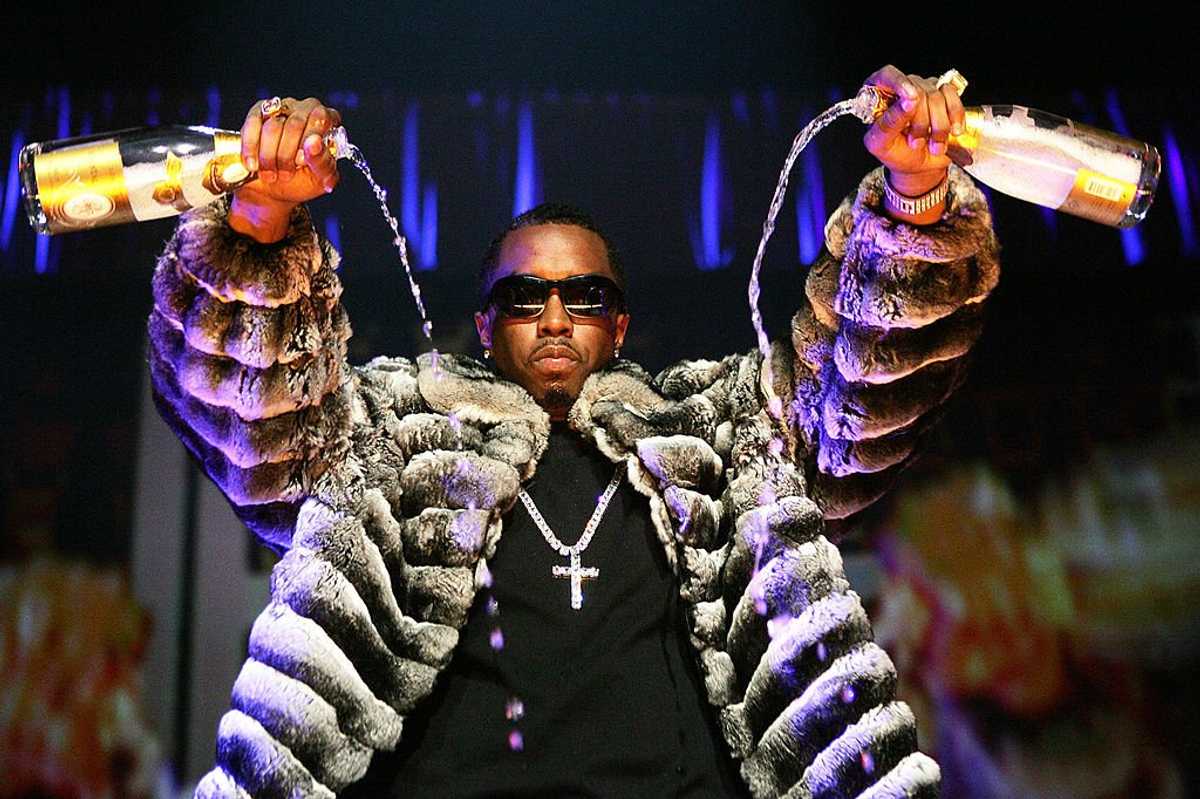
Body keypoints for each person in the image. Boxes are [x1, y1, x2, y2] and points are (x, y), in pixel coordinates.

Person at [147, 65, 1000, 798]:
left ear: (619, 324)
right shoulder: (393, 434)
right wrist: (258, 218)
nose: (554, 316)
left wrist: (916, 197)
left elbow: (864, 384)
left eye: (584, 296)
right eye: (524, 296)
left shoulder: (720, 432)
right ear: (485, 325)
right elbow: (254, 414)